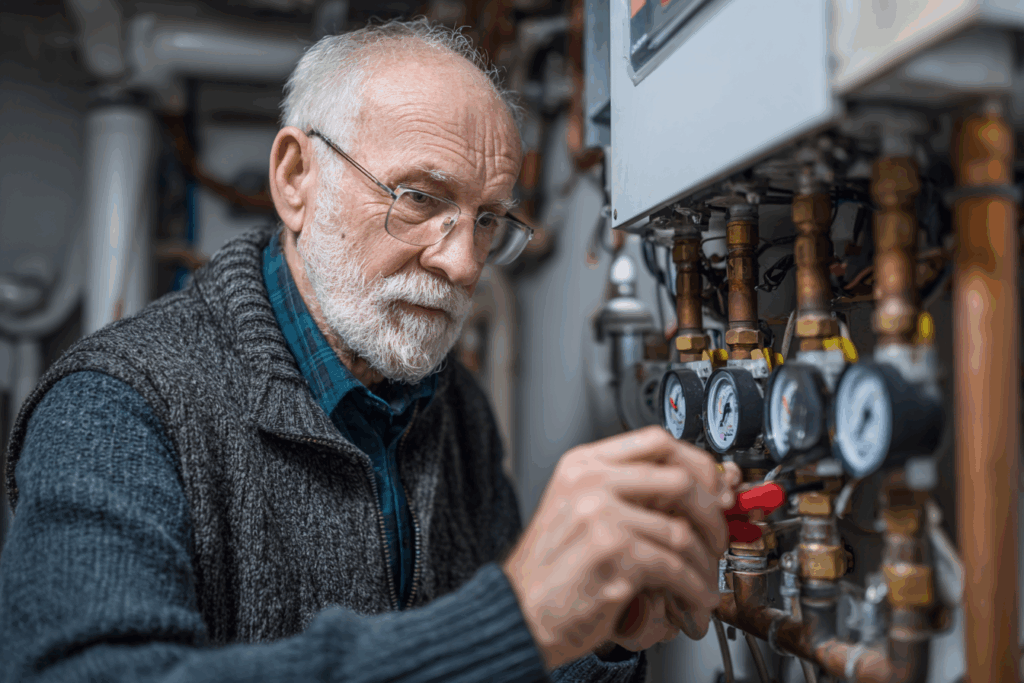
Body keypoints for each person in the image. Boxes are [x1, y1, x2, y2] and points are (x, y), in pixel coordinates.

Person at [0, 19, 739, 683]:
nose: (463, 264)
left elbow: (494, 666)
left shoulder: (452, 404)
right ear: (296, 178)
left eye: (487, 220)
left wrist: (597, 641)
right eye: (419, 198)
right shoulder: (115, 405)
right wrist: (511, 620)